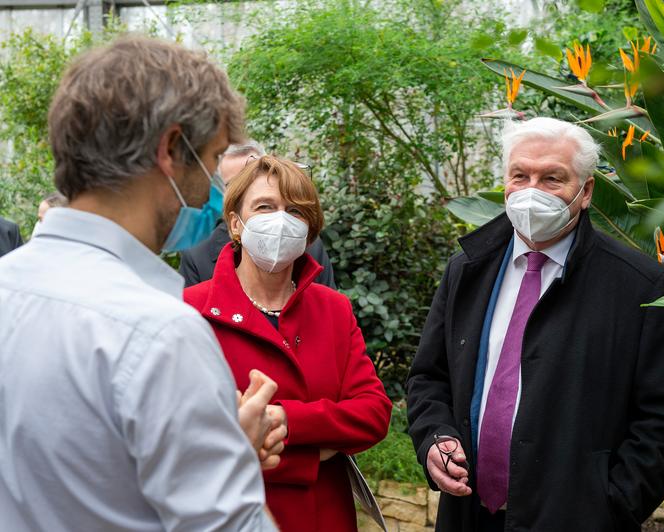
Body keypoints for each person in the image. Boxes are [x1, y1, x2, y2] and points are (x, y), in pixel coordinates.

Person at [0, 35, 284, 531]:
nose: (218, 191)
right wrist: (230, 458)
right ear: (171, 149)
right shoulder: (159, 333)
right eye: (214, 160)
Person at [406, 117, 664, 531]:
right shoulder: (467, 269)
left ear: (586, 192)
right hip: (468, 513)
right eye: (520, 175)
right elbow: (428, 376)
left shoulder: (639, 285)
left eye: (552, 179)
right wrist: (434, 435)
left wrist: (610, 506)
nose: (530, 192)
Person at [184, 154, 392, 532]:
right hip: (234, 517)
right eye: (265, 206)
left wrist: (283, 420)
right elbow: (190, 435)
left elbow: (373, 413)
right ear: (235, 223)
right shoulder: (192, 311)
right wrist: (317, 453)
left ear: (309, 230)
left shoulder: (333, 309)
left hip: (325, 518)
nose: (281, 219)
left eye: (295, 211)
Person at [179, 141, 336, 288]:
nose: (245, 190)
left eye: (254, 178)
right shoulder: (198, 254)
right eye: (234, 185)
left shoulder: (307, 244)